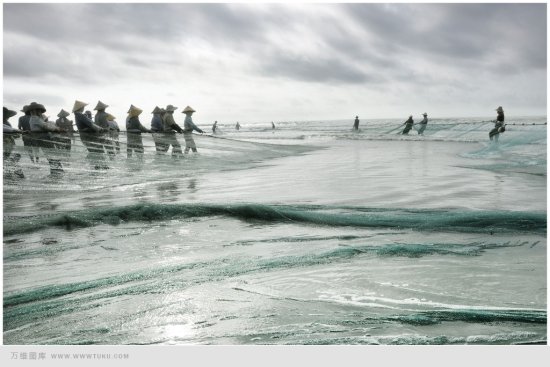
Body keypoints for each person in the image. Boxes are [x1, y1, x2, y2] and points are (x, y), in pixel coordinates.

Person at [27, 102, 64, 176]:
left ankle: (56, 171)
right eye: (39, 111)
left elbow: (45, 125)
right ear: (35, 111)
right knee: (52, 155)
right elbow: (46, 126)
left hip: (41, 139)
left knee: (51, 155)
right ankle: (57, 172)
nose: (40, 112)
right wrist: (57, 129)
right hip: (44, 139)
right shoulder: (35, 118)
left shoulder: (34, 118)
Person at [73, 100, 109, 168]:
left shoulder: (77, 115)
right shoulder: (80, 115)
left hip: (85, 137)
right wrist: (101, 129)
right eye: (83, 107)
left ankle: (98, 167)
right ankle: (102, 167)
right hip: (90, 137)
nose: (83, 108)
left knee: (95, 152)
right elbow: (91, 124)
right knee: (99, 152)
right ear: (80, 108)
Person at [3, 107, 25, 178]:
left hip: (8, 142)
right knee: (9, 158)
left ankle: (11, 173)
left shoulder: (6, 122)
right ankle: (16, 173)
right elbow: (7, 130)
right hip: (6, 143)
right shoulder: (5, 123)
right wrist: (17, 132)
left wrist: (15, 133)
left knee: (7, 158)